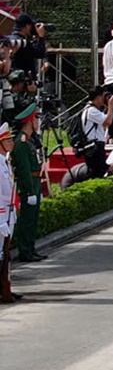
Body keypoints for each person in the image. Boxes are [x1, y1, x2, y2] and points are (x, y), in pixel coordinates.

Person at [9, 107, 41, 264]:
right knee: (26, 220)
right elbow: (24, 169)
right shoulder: (21, 143)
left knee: (33, 218)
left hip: (35, 182)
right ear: (30, 121)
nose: (38, 122)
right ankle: (25, 251)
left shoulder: (28, 141)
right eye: (36, 119)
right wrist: (29, 191)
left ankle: (31, 248)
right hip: (28, 184)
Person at [80, 84, 112, 180]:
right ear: (98, 98)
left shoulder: (92, 110)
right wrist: (110, 106)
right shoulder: (91, 110)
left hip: (96, 146)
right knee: (97, 173)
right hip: (94, 147)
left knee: (98, 173)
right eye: (103, 96)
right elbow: (108, 122)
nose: (104, 99)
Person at [0, 118, 16, 301]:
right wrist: (1, 220)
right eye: (8, 140)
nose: (11, 142)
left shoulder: (5, 162)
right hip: (2, 214)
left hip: (9, 213)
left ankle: (6, 288)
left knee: (6, 255)